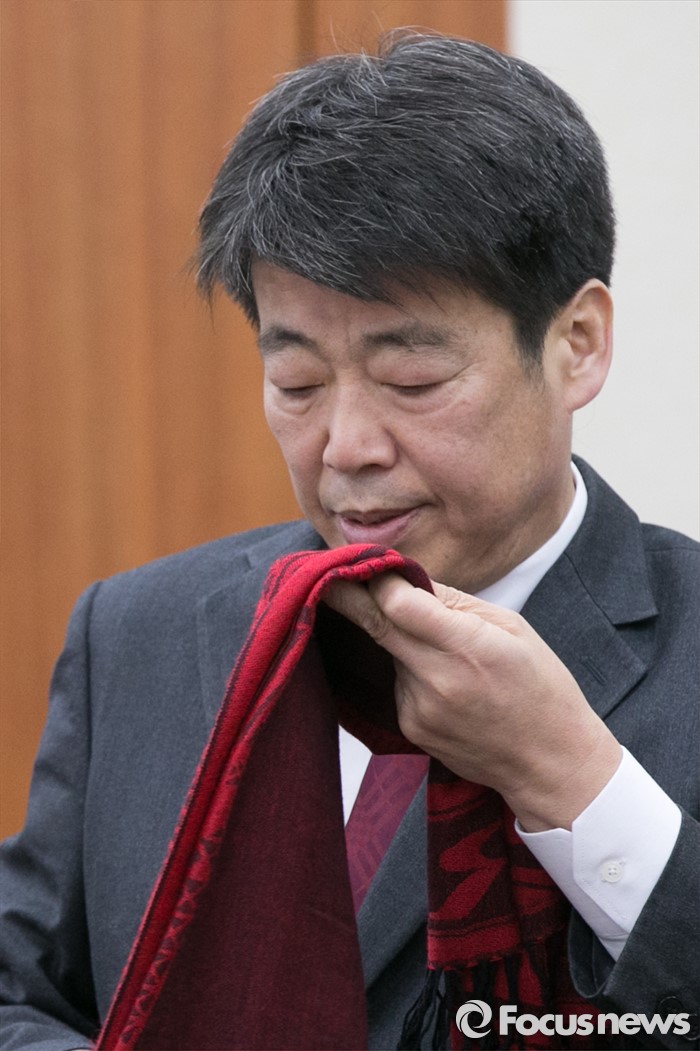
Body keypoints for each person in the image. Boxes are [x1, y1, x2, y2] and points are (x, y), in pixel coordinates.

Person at [1, 30, 698, 1051]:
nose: (346, 446)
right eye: (297, 382)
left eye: (412, 378)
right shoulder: (137, 632)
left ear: (577, 343)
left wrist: (572, 779)